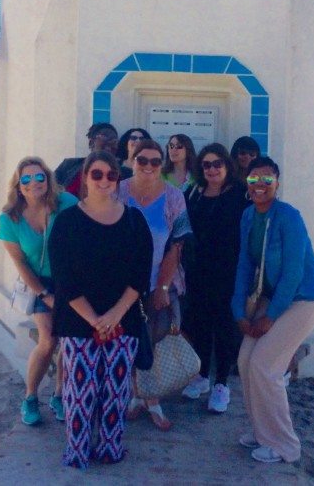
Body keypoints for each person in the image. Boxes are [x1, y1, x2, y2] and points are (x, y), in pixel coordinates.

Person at [49, 151, 153, 470]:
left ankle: (110, 448)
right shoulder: (67, 222)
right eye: (97, 174)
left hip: (122, 321)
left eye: (111, 175)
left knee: (115, 391)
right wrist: (95, 319)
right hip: (79, 321)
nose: (105, 180)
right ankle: (78, 451)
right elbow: (63, 279)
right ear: (85, 177)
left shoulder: (135, 221)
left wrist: (114, 316)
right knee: (80, 393)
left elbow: (140, 275)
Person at [231, 156, 314, 464]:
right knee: (246, 360)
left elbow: (294, 272)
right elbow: (245, 265)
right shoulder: (248, 216)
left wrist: (270, 317)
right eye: (253, 180)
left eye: (267, 179)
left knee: (265, 365)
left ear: (277, 182)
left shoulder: (289, 216)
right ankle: (263, 432)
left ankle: (285, 445)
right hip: (270, 298)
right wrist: (239, 313)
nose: (260, 185)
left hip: (304, 298)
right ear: (246, 183)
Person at [0, 156, 78, 426]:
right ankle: (31, 397)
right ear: (19, 186)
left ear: (48, 178)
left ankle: (59, 396)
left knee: (70, 343)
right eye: (27, 179)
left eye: (39, 176)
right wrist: (44, 294)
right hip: (37, 282)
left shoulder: (66, 203)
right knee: (48, 341)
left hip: (69, 282)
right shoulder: (10, 217)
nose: (34, 183)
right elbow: (19, 262)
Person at [118, 139, 192, 430]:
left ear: (162, 165)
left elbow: (177, 245)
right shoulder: (118, 191)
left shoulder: (174, 197)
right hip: (123, 285)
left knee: (157, 339)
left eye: (154, 161)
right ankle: (136, 396)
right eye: (142, 160)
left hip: (159, 282)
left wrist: (161, 287)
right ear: (132, 161)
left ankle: (154, 400)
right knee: (130, 340)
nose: (148, 166)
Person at [182, 142, 249, 413]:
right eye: (206, 164)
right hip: (197, 272)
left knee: (224, 328)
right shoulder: (194, 192)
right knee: (199, 324)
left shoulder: (240, 194)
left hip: (229, 273)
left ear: (226, 165)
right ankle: (201, 377)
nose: (212, 169)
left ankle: (221, 383)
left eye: (217, 164)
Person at [55, 123, 119, 196]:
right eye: (103, 138)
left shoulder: (123, 172)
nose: (108, 146)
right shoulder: (68, 165)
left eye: (114, 141)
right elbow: (50, 188)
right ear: (91, 143)